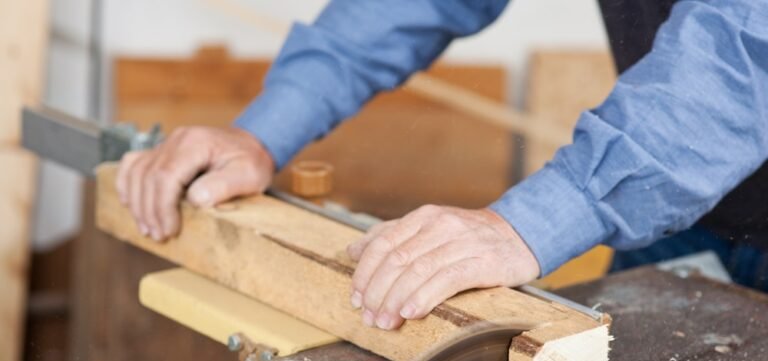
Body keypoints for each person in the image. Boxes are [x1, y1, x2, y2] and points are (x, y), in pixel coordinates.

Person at [116, 0, 768, 331]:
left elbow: (743, 50)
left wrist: (533, 222)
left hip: (671, 178)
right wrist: (261, 133)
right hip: (682, 213)